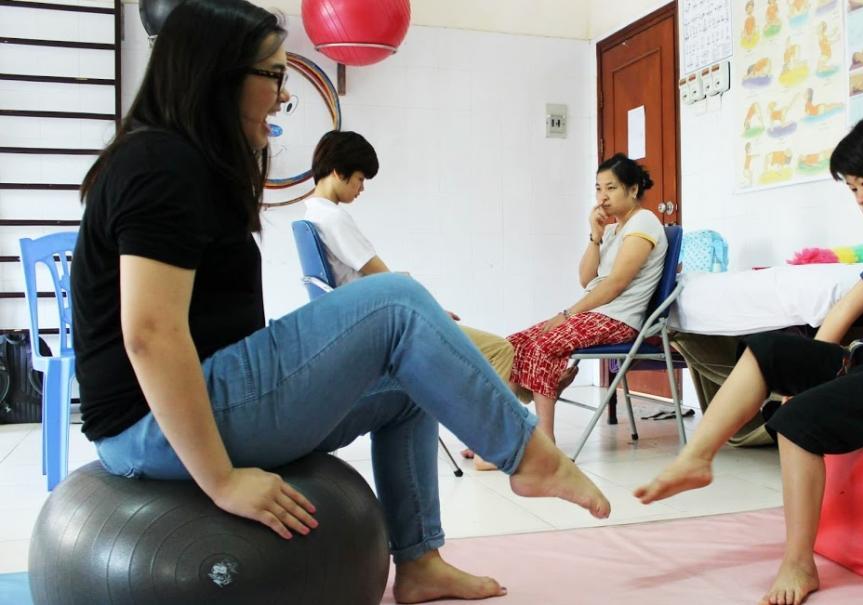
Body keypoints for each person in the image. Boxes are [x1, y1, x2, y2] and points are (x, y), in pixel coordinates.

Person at [71, 2, 609, 603]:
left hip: (197, 398)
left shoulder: (185, 162)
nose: (281, 96)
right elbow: (150, 332)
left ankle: (420, 562)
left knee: (412, 383)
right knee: (397, 302)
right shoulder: (159, 163)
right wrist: (221, 481)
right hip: (147, 428)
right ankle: (527, 454)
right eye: (273, 75)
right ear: (217, 75)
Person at [635, 111, 863, 605]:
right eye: (852, 188)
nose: (861, 197)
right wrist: (807, 370)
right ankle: (697, 458)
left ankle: (799, 565)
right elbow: (846, 309)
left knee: (797, 422)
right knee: (770, 347)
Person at [301, 129, 532, 471]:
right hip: (389, 324)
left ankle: (510, 419)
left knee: (483, 358)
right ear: (338, 172)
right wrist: (432, 310)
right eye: (360, 179)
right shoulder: (333, 218)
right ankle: (491, 447)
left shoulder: (311, 216)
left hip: (367, 320)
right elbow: (386, 278)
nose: (361, 188)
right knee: (500, 350)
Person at [507, 153, 666, 441]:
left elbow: (616, 284)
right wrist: (595, 235)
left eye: (611, 188)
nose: (602, 197)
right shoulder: (614, 229)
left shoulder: (644, 222)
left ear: (633, 189)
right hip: (597, 313)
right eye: (598, 188)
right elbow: (586, 280)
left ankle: (545, 442)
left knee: (544, 345)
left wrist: (568, 314)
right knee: (510, 346)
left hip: (619, 319)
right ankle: (504, 433)